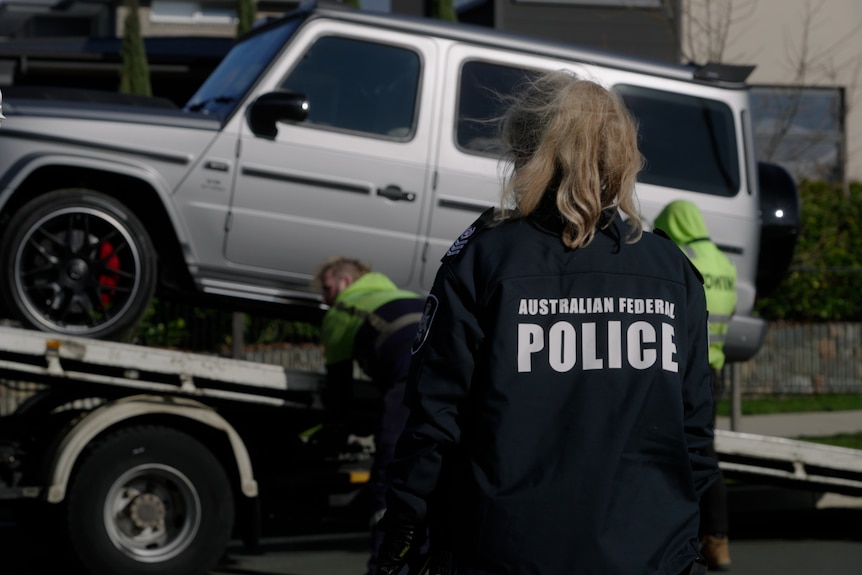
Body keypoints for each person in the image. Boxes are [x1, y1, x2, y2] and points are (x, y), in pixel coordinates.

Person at [376, 70, 718, 575]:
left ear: (525, 150)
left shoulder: (483, 259)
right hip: (651, 554)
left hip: (507, 551)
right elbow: (693, 435)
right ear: (623, 154)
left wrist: (402, 533)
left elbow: (436, 422)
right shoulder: (672, 271)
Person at [312, 256, 426, 575]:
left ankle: (385, 568)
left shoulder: (341, 311)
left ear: (345, 283)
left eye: (327, 288)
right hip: (455, 371)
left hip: (409, 374)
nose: (324, 298)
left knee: (392, 474)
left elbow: (339, 388)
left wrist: (335, 429)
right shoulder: (401, 295)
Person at [655, 200, 738, 571]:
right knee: (706, 452)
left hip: (683, 368)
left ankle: (689, 538)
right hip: (714, 366)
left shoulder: (679, 255)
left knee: (676, 453)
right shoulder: (723, 261)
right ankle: (716, 539)